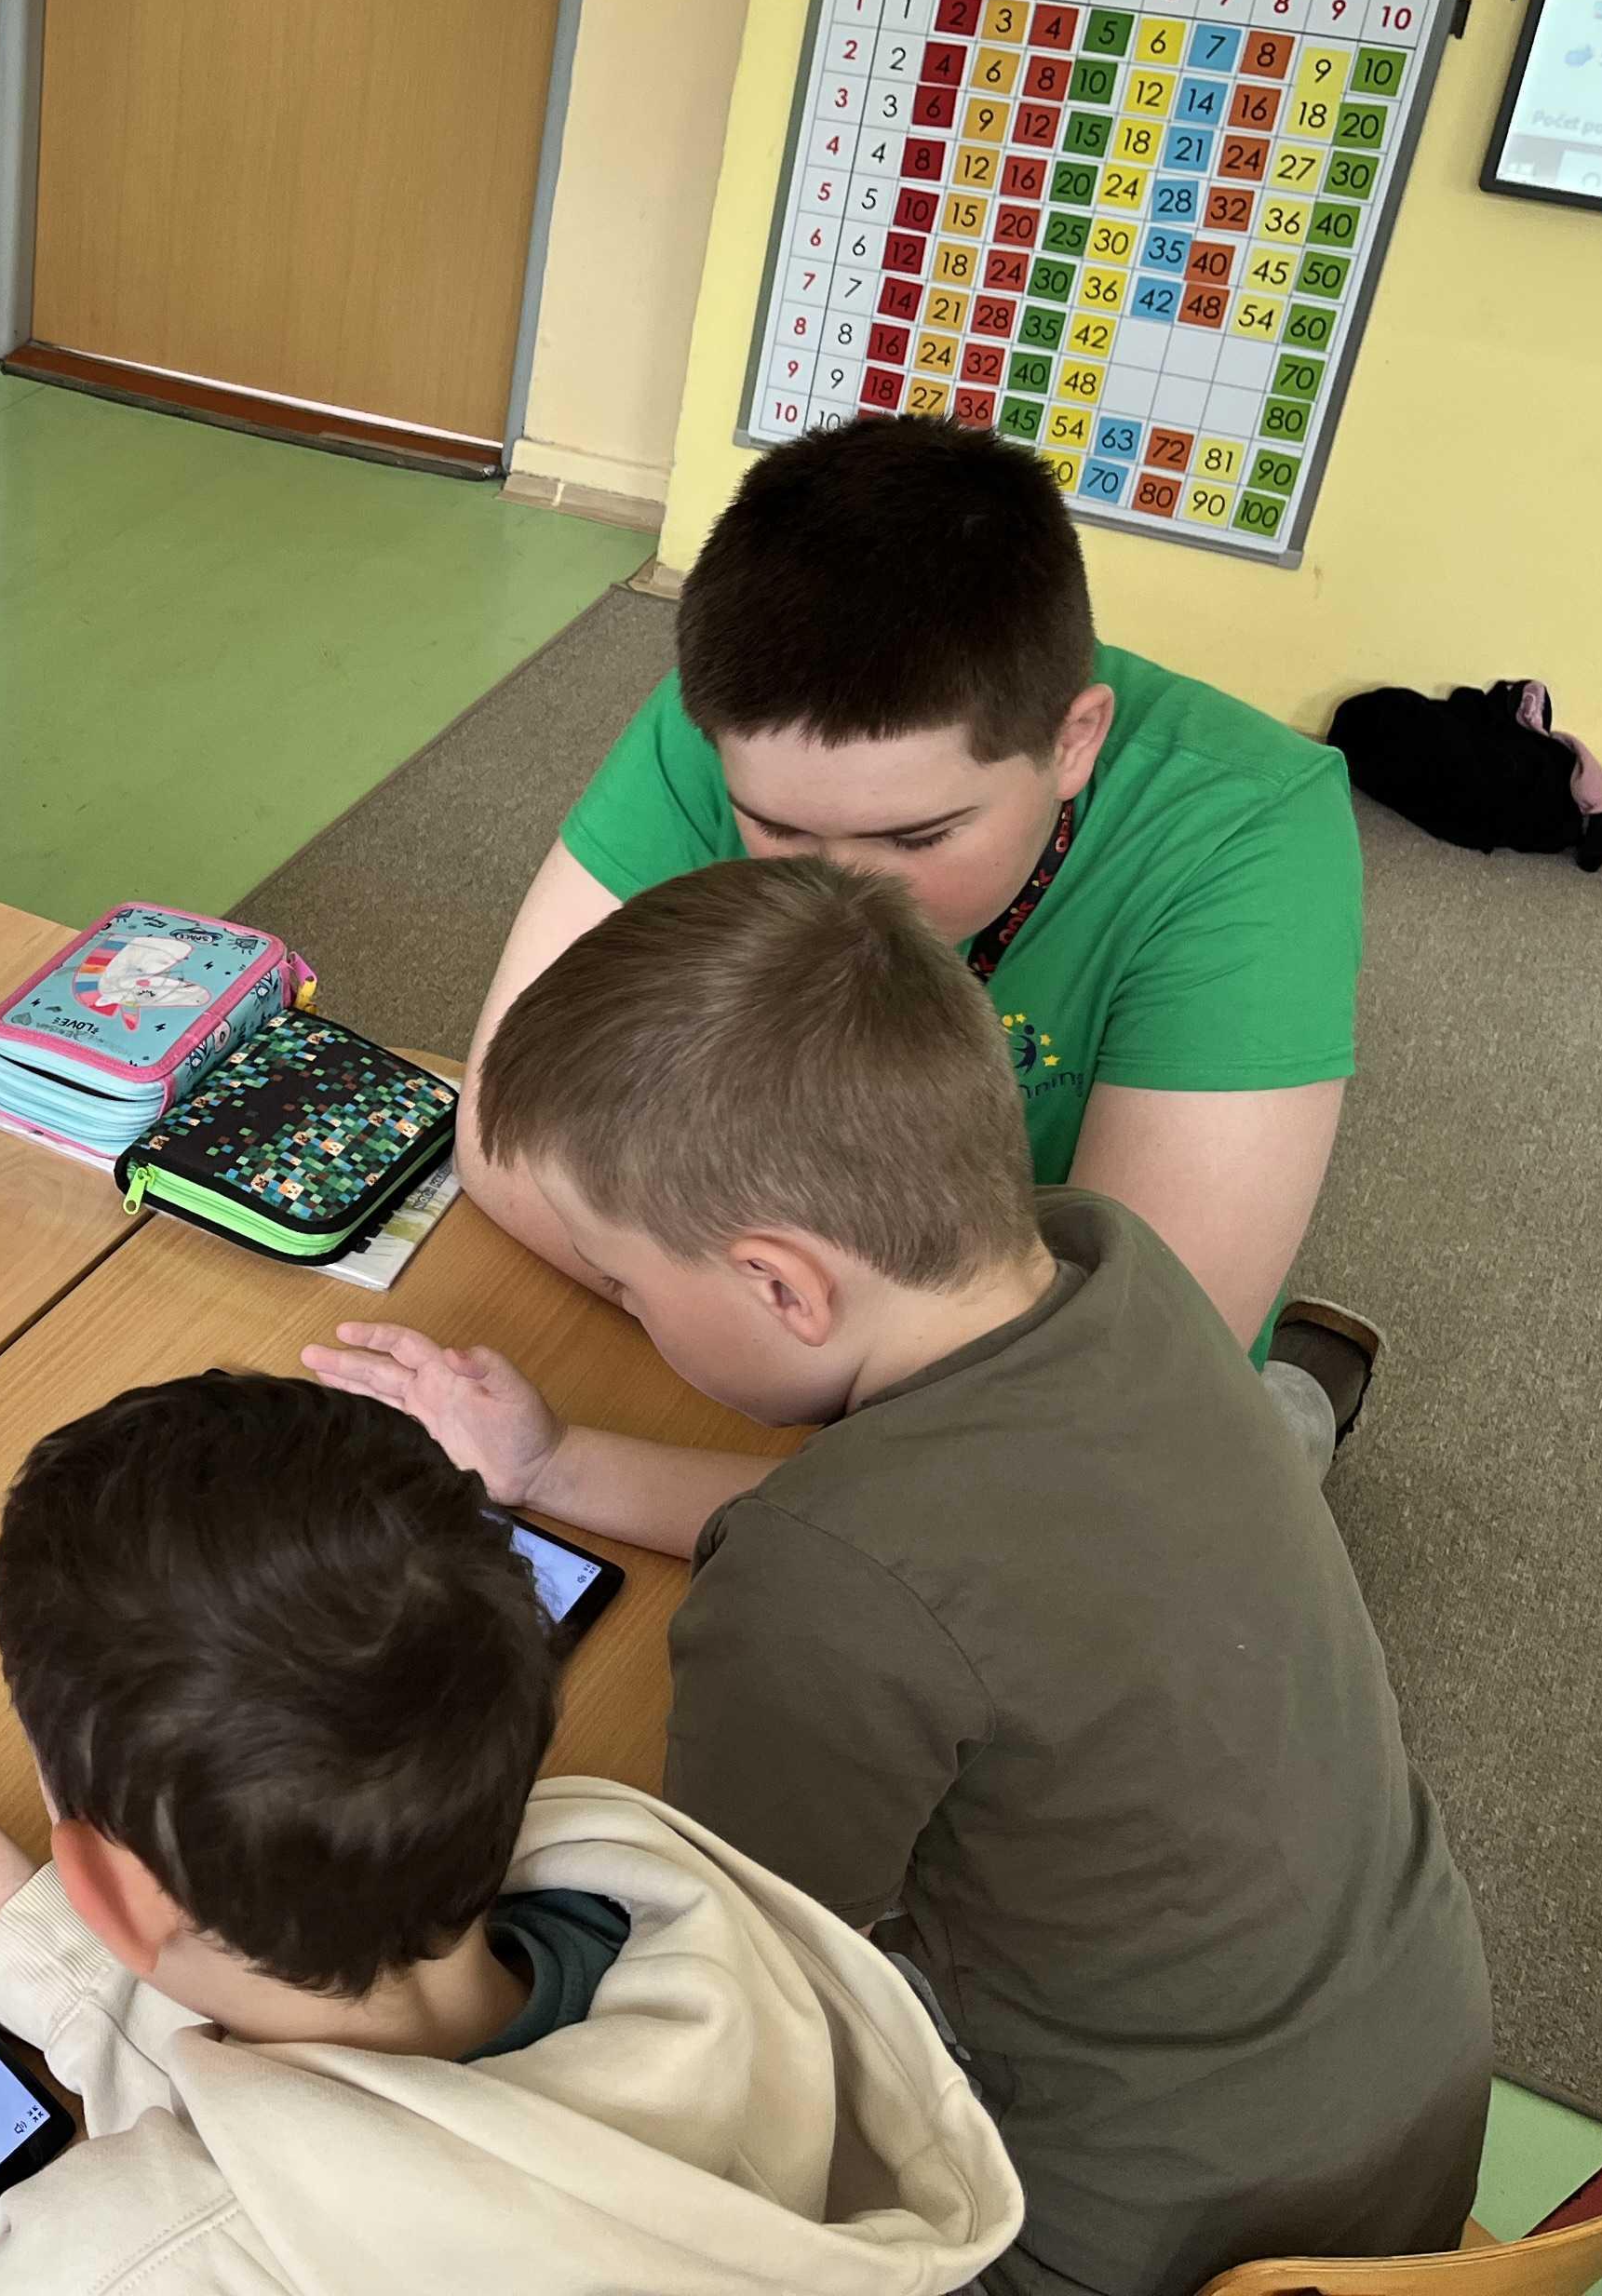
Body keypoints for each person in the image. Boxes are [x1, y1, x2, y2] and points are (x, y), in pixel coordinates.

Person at [316, 860, 1489, 2296]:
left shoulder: (823, 1593)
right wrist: (555, 1464)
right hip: (1400, 2110)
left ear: (780, 1284)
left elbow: (723, 1979)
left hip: (1124, 2242)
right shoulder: (1113, 1271)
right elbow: (913, 1543)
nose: (623, 1304)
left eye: (626, 1285)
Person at [0, 1371, 1026, 2296]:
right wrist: (60, 1958)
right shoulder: (663, 1900)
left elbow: (253, 2198)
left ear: (113, 1882)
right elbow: (378, 2139)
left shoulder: (120, 2259)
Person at [447, 416, 1368, 1490]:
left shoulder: (1250, 830)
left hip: (1015, 1399)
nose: (841, 893)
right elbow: (508, 1140)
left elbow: (1116, 1388)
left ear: (1073, 741)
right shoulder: (760, 717)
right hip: (827, 1332)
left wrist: (795, 1377)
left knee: (1215, 1475)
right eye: (777, 828)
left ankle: (1296, 1405)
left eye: (919, 836)